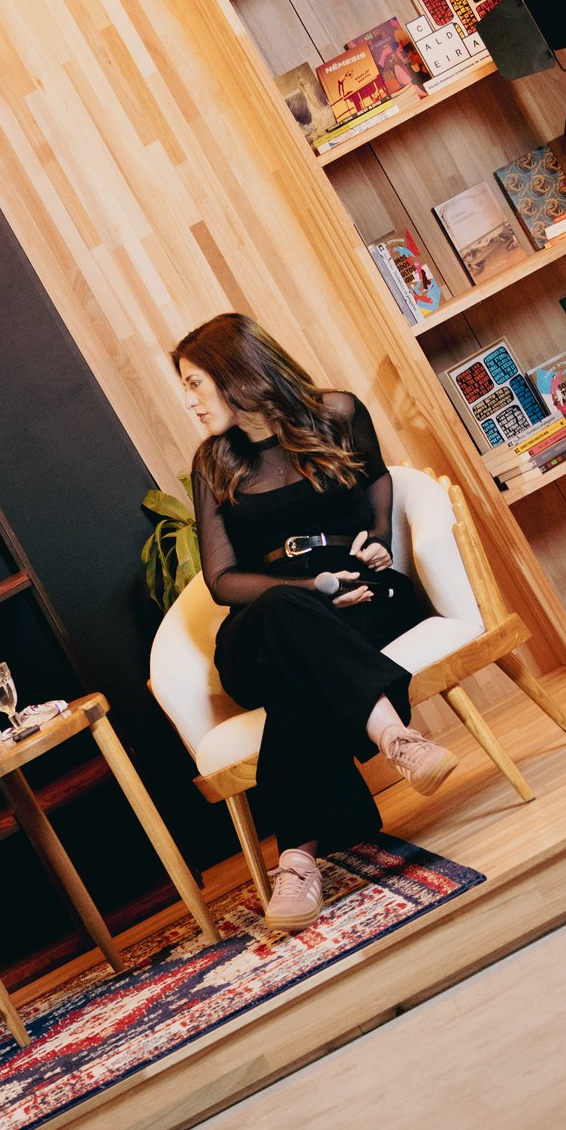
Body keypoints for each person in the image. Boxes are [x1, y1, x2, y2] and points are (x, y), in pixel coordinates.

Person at [171, 313, 457, 933]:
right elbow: (223, 579)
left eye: (195, 384)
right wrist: (311, 591)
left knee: (297, 688)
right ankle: (394, 737)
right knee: (287, 616)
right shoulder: (213, 462)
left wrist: (379, 539)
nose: (188, 401)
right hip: (263, 624)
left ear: (236, 373)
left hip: (362, 601)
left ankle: (297, 862)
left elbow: (377, 480)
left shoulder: (338, 413)